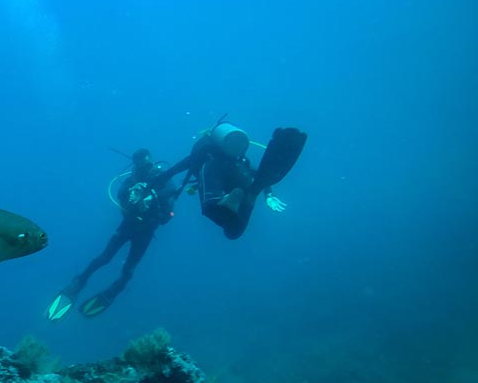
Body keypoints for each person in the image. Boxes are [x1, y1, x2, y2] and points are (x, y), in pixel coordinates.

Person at [46, 149, 178, 320]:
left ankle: (115, 289)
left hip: (146, 231)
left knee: (128, 269)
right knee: (104, 258)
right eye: (142, 166)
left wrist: (151, 196)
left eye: (148, 165)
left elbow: (171, 189)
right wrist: (133, 193)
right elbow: (120, 193)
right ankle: (79, 282)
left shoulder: (161, 177)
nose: (146, 169)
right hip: (128, 225)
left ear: (152, 162)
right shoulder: (132, 179)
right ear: (136, 165)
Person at [152, 121, 307, 239]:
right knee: (234, 231)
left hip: (216, 180)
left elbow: (177, 168)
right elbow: (261, 174)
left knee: (214, 211)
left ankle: (226, 199)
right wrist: (269, 194)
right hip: (239, 176)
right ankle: (252, 194)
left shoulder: (207, 159)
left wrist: (154, 182)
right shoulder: (240, 160)